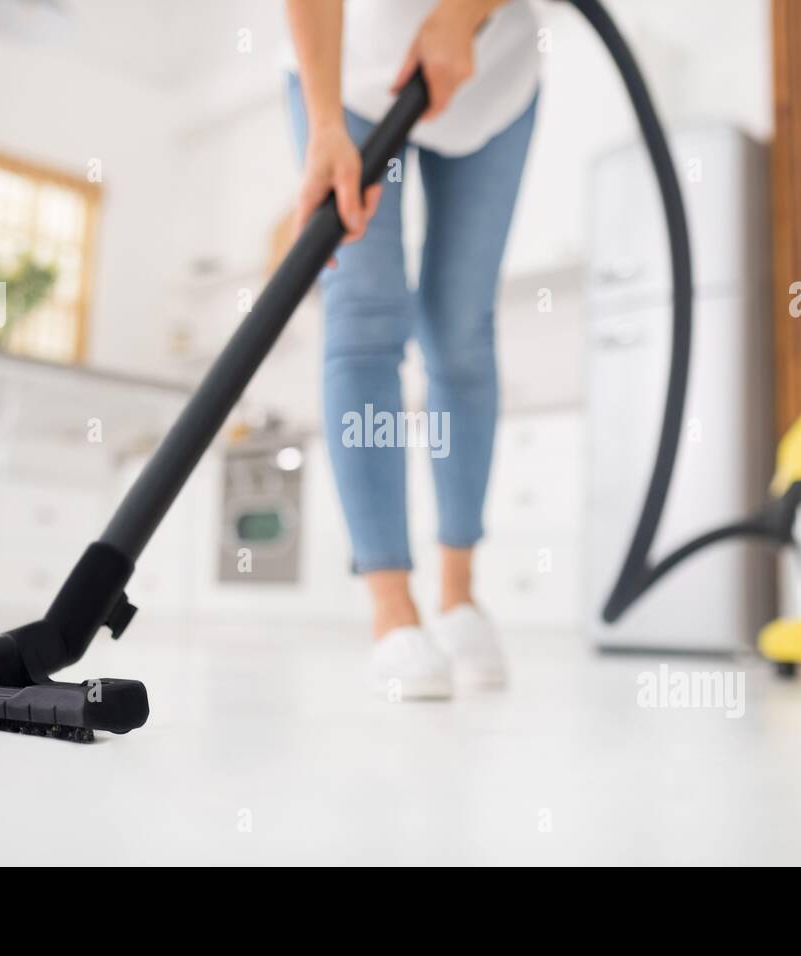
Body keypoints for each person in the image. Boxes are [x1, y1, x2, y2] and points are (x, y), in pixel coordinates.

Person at [284, 0, 539, 698]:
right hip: (349, 74)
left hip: (494, 72)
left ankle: (458, 599)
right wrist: (326, 122)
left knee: (461, 333)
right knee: (364, 318)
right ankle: (393, 611)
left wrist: (464, 12)